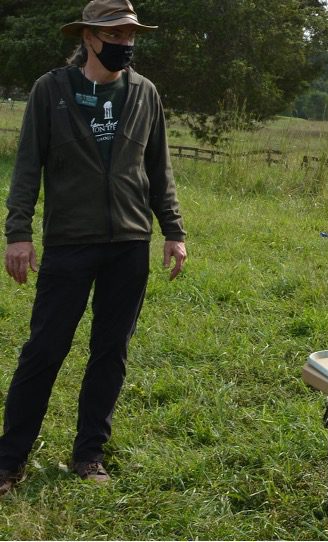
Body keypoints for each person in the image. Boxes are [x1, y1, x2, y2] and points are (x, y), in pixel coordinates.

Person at [0, 0, 186, 496]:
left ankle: (89, 455)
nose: (125, 43)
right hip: (69, 244)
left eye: (130, 35)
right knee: (44, 349)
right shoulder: (51, 91)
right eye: (115, 35)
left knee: (111, 352)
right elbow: (26, 168)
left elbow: (159, 169)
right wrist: (18, 233)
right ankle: (8, 461)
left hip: (129, 242)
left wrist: (173, 230)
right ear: (87, 37)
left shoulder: (145, 93)